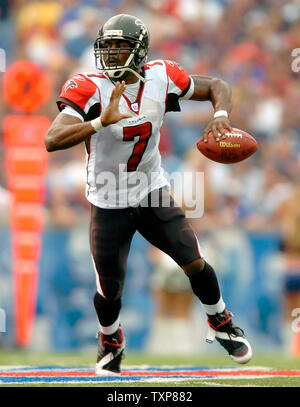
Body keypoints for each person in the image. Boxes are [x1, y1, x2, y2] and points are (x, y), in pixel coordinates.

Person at [45, 14, 252, 375]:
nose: (110, 55)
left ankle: (219, 321)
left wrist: (220, 113)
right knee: (110, 289)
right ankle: (110, 338)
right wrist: (98, 122)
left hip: (151, 191)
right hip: (107, 200)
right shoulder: (88, 86)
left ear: (139, 51)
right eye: (106, 48)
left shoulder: (162, 76)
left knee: (192, 259)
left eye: (119, 47)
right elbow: (51, 139)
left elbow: (217, 85)